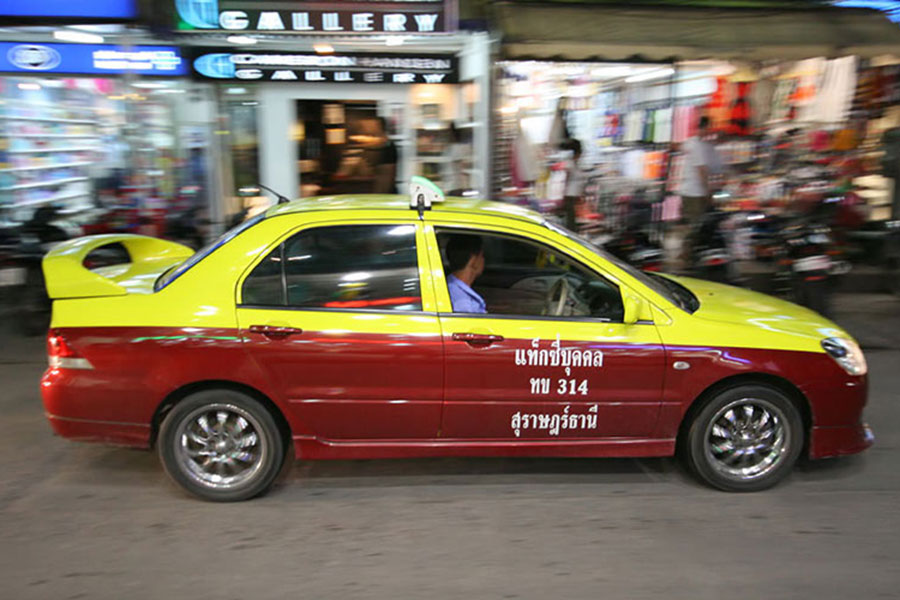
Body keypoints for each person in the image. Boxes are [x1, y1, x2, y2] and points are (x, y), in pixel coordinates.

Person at [677, 115, 723, 268]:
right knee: (695, 225)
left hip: (694, 191)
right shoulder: (696, 145)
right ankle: (685, 256)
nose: (711, 131)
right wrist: (707, 192)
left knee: (699, 224)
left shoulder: (700, 145)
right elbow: (702, 170)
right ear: (703, 127)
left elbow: (715, 167)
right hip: (694, 192)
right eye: (709, 127)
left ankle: (689, 254)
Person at [445, 234, 487, 313]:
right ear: (474, 260)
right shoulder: (462, 301)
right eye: (482, 256)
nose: (484, 260)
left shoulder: (450, 287)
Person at [561, 138, 584, 231]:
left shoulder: (575, 164)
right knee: (571, 221)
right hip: (570, 196)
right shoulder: (569, 164)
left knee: (573, 219)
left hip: (574, 196)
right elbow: (565, 181)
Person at [373, 116, 399, 194]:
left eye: (375, 125)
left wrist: (382, 192)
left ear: (379, 127)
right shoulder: (381, 144)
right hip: (383, 188)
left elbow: (390, 172)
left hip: (386, 190)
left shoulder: (389, 146)